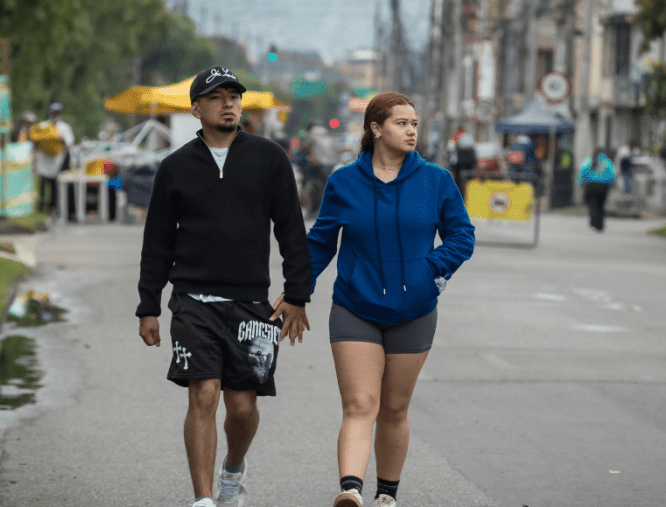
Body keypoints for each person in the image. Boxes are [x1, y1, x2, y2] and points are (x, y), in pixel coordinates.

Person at [135, 65, 312, 507]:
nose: (228, 103)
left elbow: (291, 230)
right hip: (193, 302)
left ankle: (233, 469)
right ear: (196, 108)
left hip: (252, 303)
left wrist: (297, 294)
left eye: (234, 96)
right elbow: (157, 242)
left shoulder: (270, 158)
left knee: (243, 408)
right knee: (204, 393)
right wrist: (148, 306)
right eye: (216, 96)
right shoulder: (175, 167)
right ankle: (203, 499)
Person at [306, 92, 475, 507]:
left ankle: (386, 494)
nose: (411, 131)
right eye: (401, 123)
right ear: (376, 128)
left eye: (414, 123)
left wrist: (430, 269)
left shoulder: (436, 180)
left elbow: (462, 235)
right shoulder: (344, 182)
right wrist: (297, 290)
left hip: (415, 310)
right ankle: (351, 490)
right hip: (354, 307)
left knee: (395, 409)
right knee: (360, 403)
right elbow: (321, 242)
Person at [32, 102, 75, 218]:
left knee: (56, 185)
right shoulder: (43, 125)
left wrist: (59, 139)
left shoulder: (64, 127)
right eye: (54, 112)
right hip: (44, 160)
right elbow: (35, 139)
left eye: (57, 112)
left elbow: (70, 142)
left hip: (58, 160)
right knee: (42, 184)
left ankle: (54, 206)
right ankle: (41, 207)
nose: (55, 114)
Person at [579, 148, 616, 232]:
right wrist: (612, 183)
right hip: (604, 186)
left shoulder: (588, 161)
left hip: (591, 185)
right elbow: (613, 173)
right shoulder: (607, 162)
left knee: (592, 204)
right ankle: (600, 224)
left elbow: (582, 172)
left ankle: (594, 222)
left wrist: (581, 183)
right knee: (601, 205)